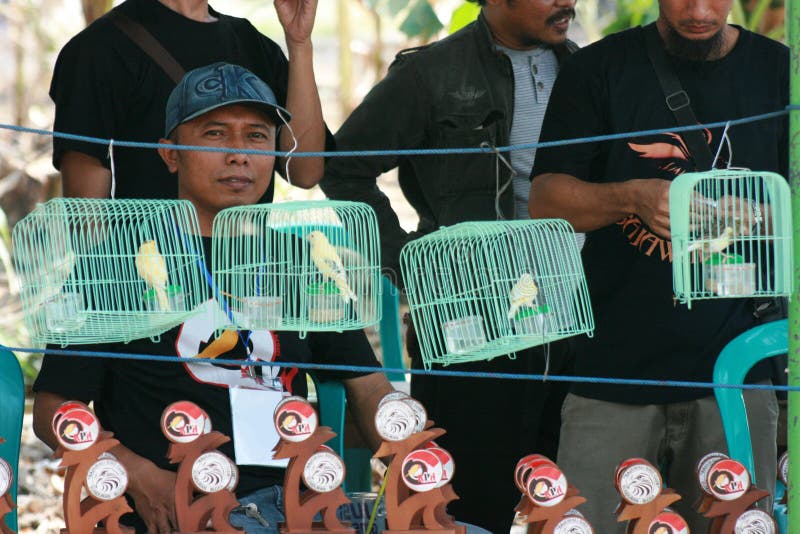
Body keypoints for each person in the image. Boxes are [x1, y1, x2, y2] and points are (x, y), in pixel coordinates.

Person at [33, 63, 394, 534]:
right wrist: (135, 473)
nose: (238, 155)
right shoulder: (117, 261)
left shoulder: (300, 262)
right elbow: (52, 411)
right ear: (169, 154)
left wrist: (411, 455)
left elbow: (370, 389)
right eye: (215, 134)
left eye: (257, 137)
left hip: (298, 504)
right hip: (179, 503)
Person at [529, 0, 787, 530]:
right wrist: (630, 196)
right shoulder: (597, 70)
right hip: (611, 370)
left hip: (737, 371)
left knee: (737, 522)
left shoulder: (781, 71)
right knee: (583, 523)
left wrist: (762, 214)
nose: (698, 11)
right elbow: (546, 200)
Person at [321, 1, 578, 531]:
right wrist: (408, 262)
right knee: (465, 502)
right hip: (466, 324)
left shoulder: (587, 69)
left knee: (565, 501)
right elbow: (343, 168)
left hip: (571, 316)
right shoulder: (431, 73)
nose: (567, 1)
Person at [50, 0, 327, 200]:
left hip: (248, 271)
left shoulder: (254, 44)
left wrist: (300, 44)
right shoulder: (97, 50)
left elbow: (305, 172)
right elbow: (85, 218)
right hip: (153, 272)